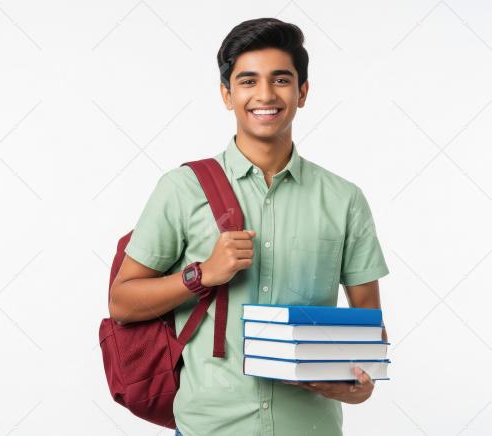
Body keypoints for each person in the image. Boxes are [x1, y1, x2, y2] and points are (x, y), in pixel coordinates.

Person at [108, 17, 389, 436]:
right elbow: (122, 303)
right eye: (247, 81)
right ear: (227, 94)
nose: (264, 95)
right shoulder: (182, 189)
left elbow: (369, 332)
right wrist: (201, 275)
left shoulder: (344, 199)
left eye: (280, 80)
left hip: (308, 428)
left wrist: (356, 388)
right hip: (209, 427)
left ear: (302, 92)